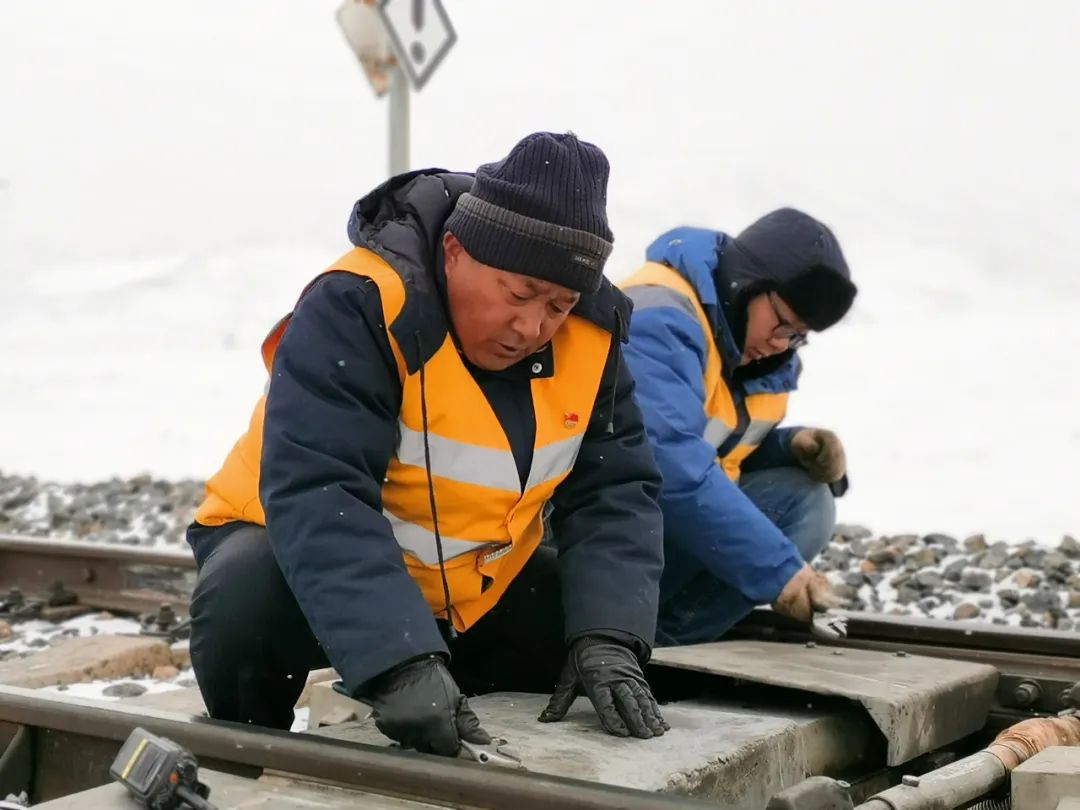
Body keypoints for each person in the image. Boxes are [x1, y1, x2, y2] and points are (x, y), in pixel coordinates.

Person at [185, 131, 668, 757]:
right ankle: (248, 758)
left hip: (461, 587)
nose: (532, 327)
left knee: (585, 633)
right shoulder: (359, 304)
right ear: (454, 250)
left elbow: (617, 491)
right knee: (242, 592)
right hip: (296, 555)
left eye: (559, 304)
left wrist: (609, 635)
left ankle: (475, 743)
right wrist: (397, 660)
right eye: (517, 294)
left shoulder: (592, 337)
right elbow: (321, 492)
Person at [618, 210, 858, 646]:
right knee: (803, 504)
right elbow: (664, 459)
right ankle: (637, 648)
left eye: (797, 336)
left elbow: (712, 448)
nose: (780, 344)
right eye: (782, 323)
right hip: (584, 540)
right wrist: (779, 571)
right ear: (747, 282)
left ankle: (657, 644)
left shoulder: (739, 344)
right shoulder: (659, 320)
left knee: (802, 490)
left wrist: (789, 447)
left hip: (643, 532)